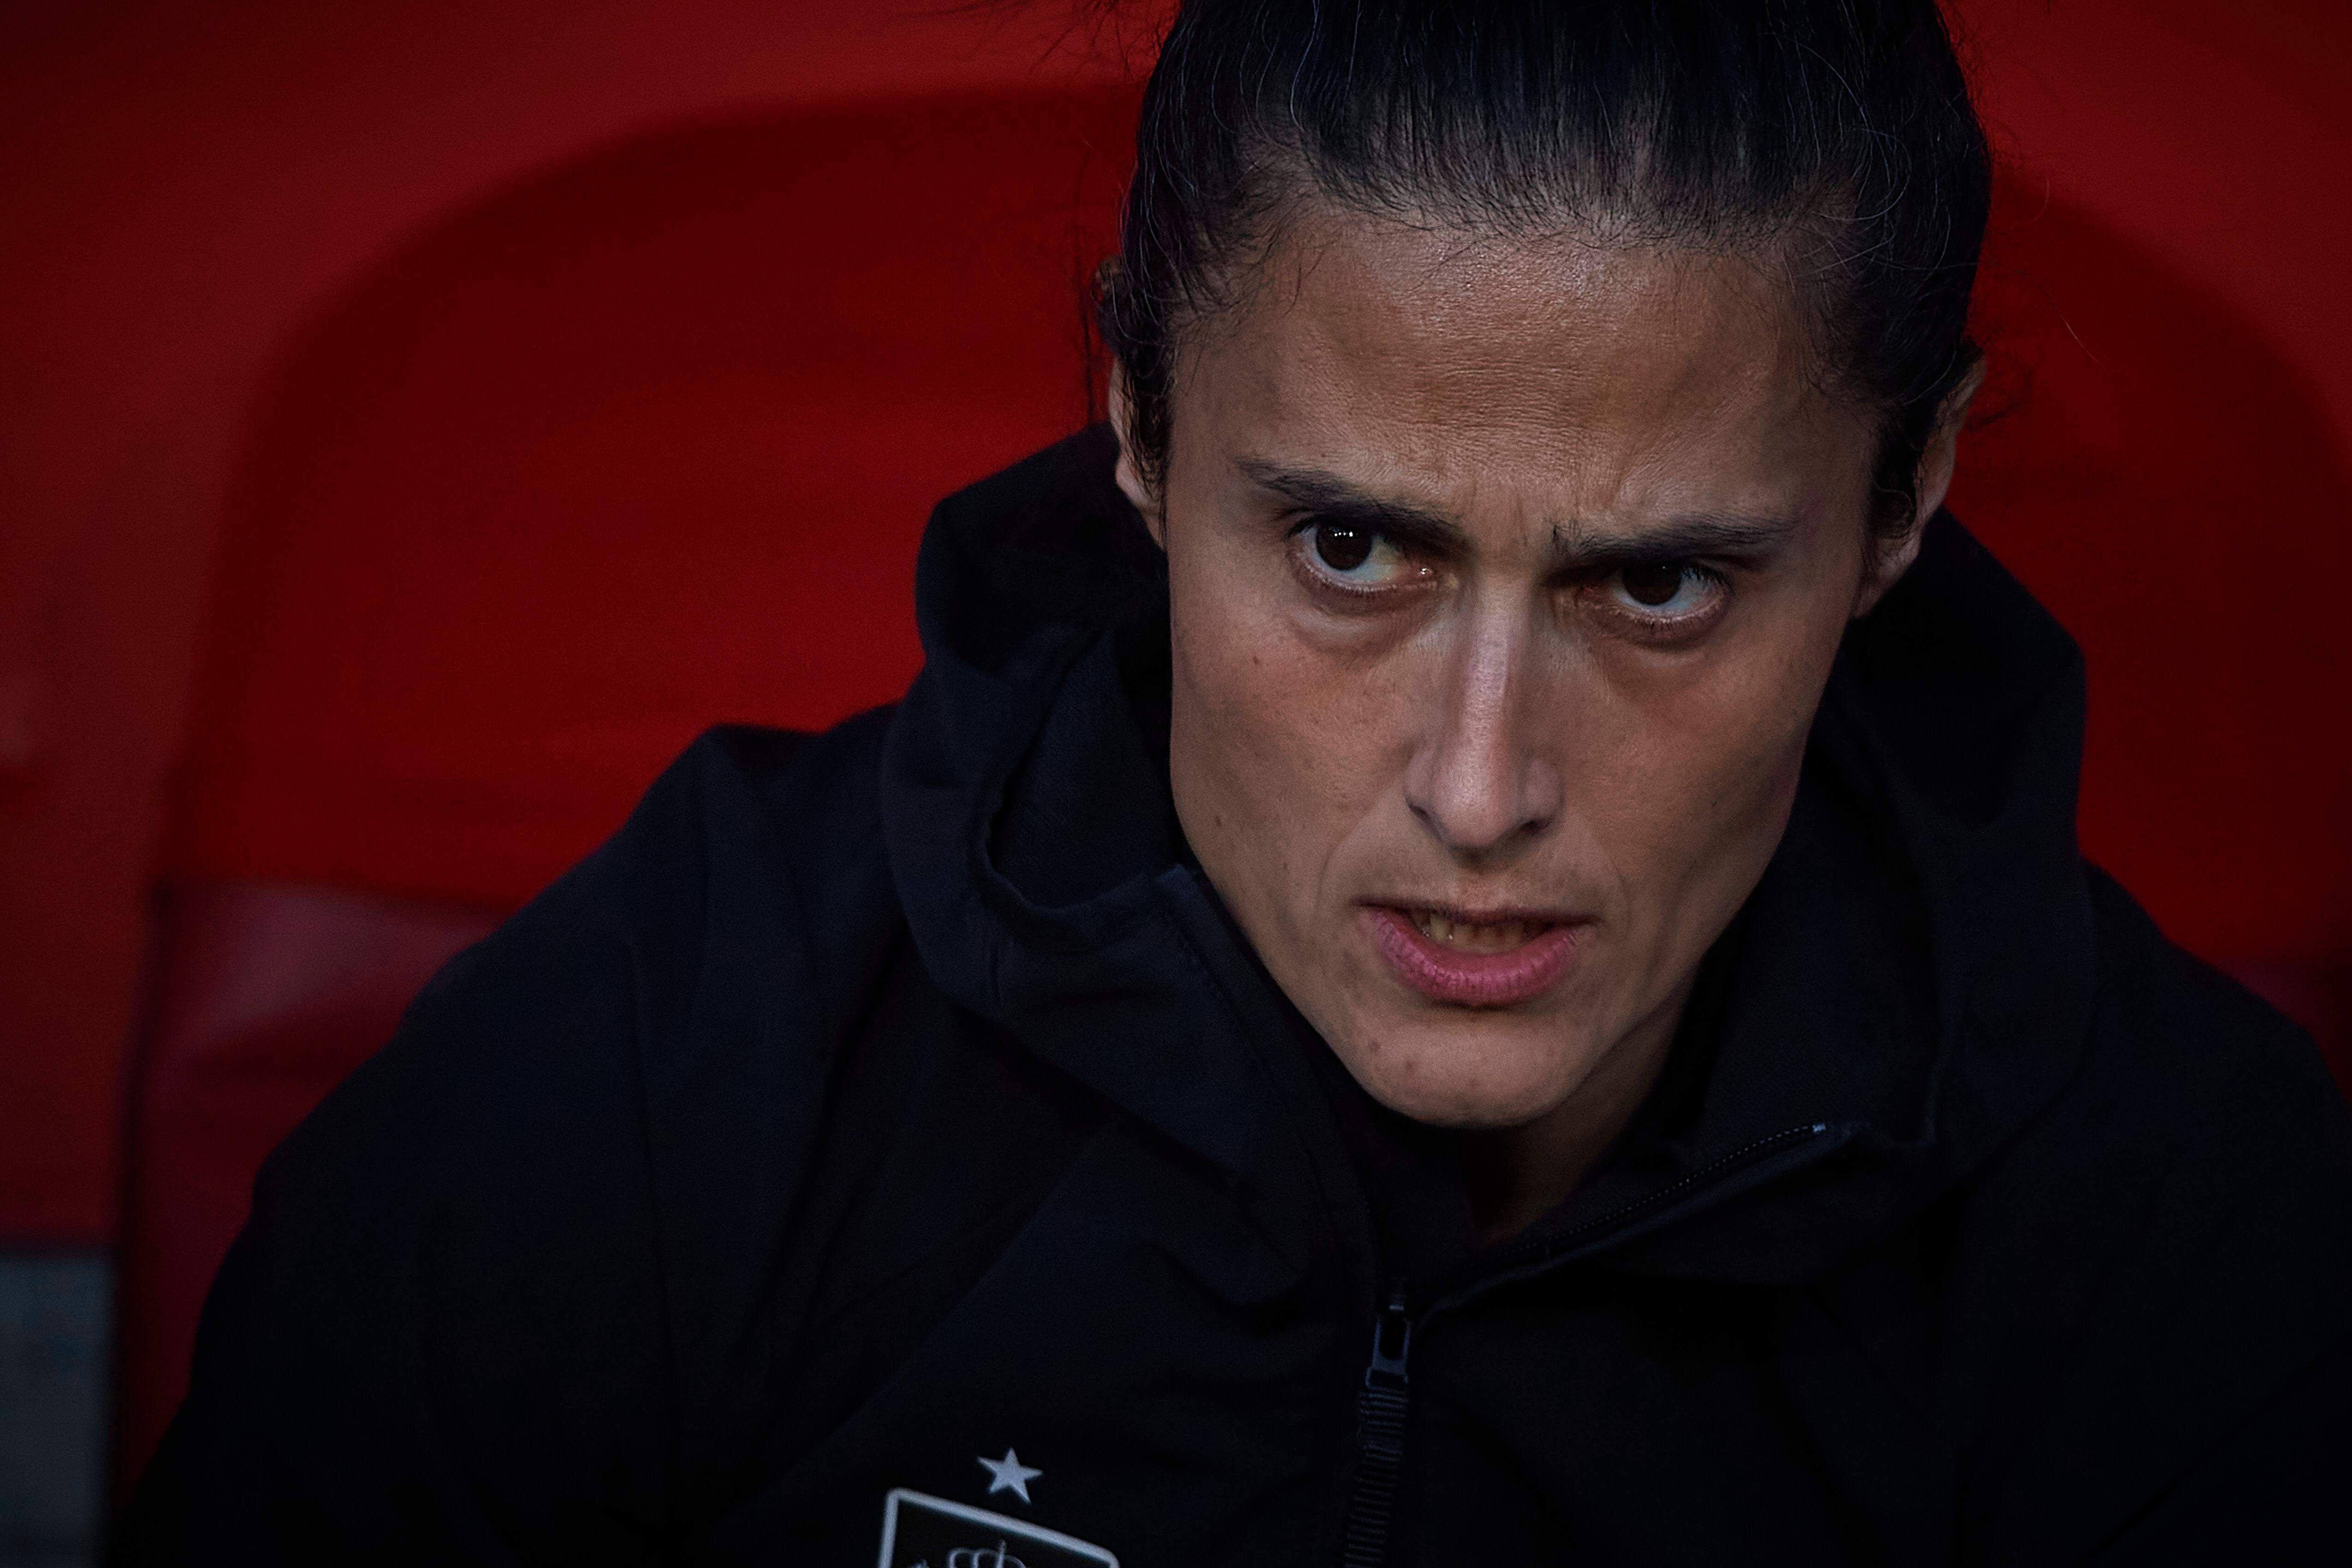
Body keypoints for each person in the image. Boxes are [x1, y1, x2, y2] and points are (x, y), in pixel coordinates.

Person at [117, 1, 2352, 1563]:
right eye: (1351, 550)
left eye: (1660, 586)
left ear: (1903, 502)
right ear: (1137, 426)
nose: (1483, 792)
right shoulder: (683, 1041)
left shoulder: (2190, 1240)